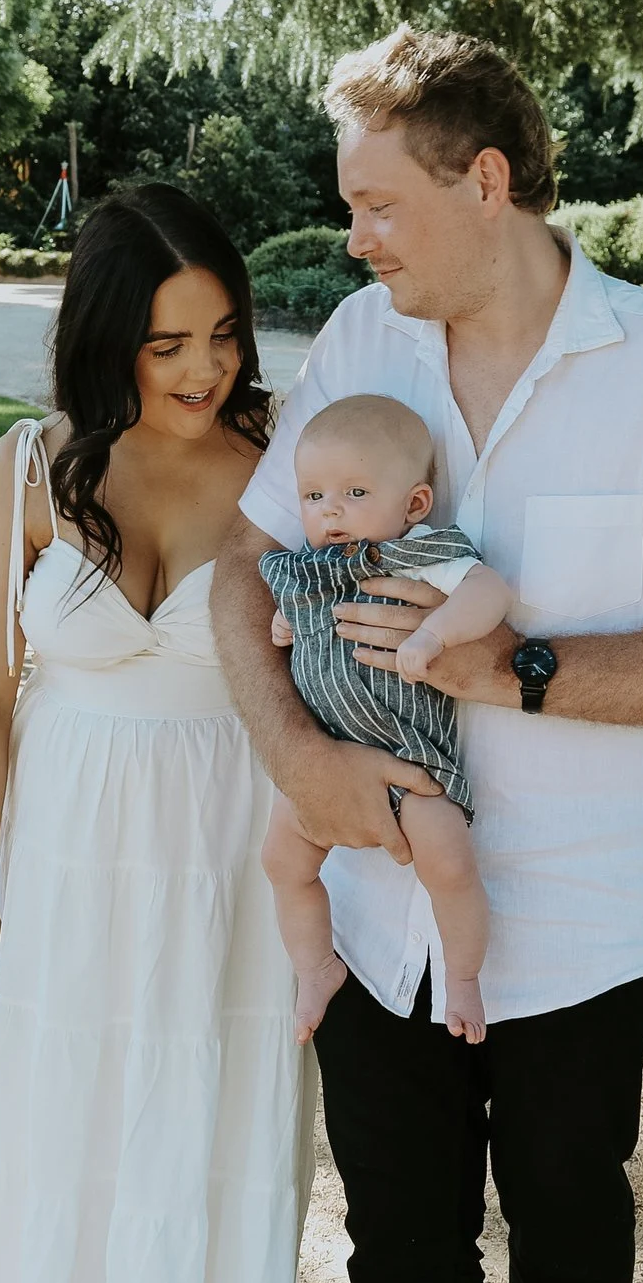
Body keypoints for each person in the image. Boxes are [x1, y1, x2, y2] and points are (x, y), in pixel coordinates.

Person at [212, 26, 643, 1283]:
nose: (355, 239)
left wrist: (514, 668)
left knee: (569, 1263)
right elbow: (242, 564)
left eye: (379, 204)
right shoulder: (359, 340)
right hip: (374, 913)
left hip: (582, 928)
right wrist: (296, 758)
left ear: (485, 180)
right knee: (400, 1265)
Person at [0, 184, 306, 1283]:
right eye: (167, 344)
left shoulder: (287, 458)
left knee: (212, 1134)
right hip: (64, 867)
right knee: (55, 1138)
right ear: (108, 340)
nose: (207, 369)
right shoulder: (24, 471)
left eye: (224, 334)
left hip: (232, 865)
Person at [257, 393, 516, 1045]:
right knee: (282, 862)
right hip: (324, 758)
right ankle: (316, 966)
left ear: (415, 504)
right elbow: (292, 616)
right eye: (314, 495)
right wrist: (286, 623)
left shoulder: (418, 552)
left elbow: (488, 589)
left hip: (413, 759)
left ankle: (463, 978)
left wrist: (435, 632)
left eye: (354, 492)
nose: (330, 510)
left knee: (449, 866)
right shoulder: (304, 567)